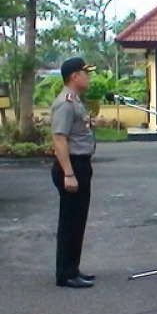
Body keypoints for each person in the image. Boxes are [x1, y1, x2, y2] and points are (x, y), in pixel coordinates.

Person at [50, 57, 97, 288]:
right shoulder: (66, 103)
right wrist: (69, 173)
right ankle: (65, 274)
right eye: (84, 73)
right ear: (73, 76)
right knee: (70, 221)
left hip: (80, 164)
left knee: (77, 221)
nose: (88, 76)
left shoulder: (75, 101)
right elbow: (59, 139)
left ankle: (72, 269)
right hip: (72, 166)